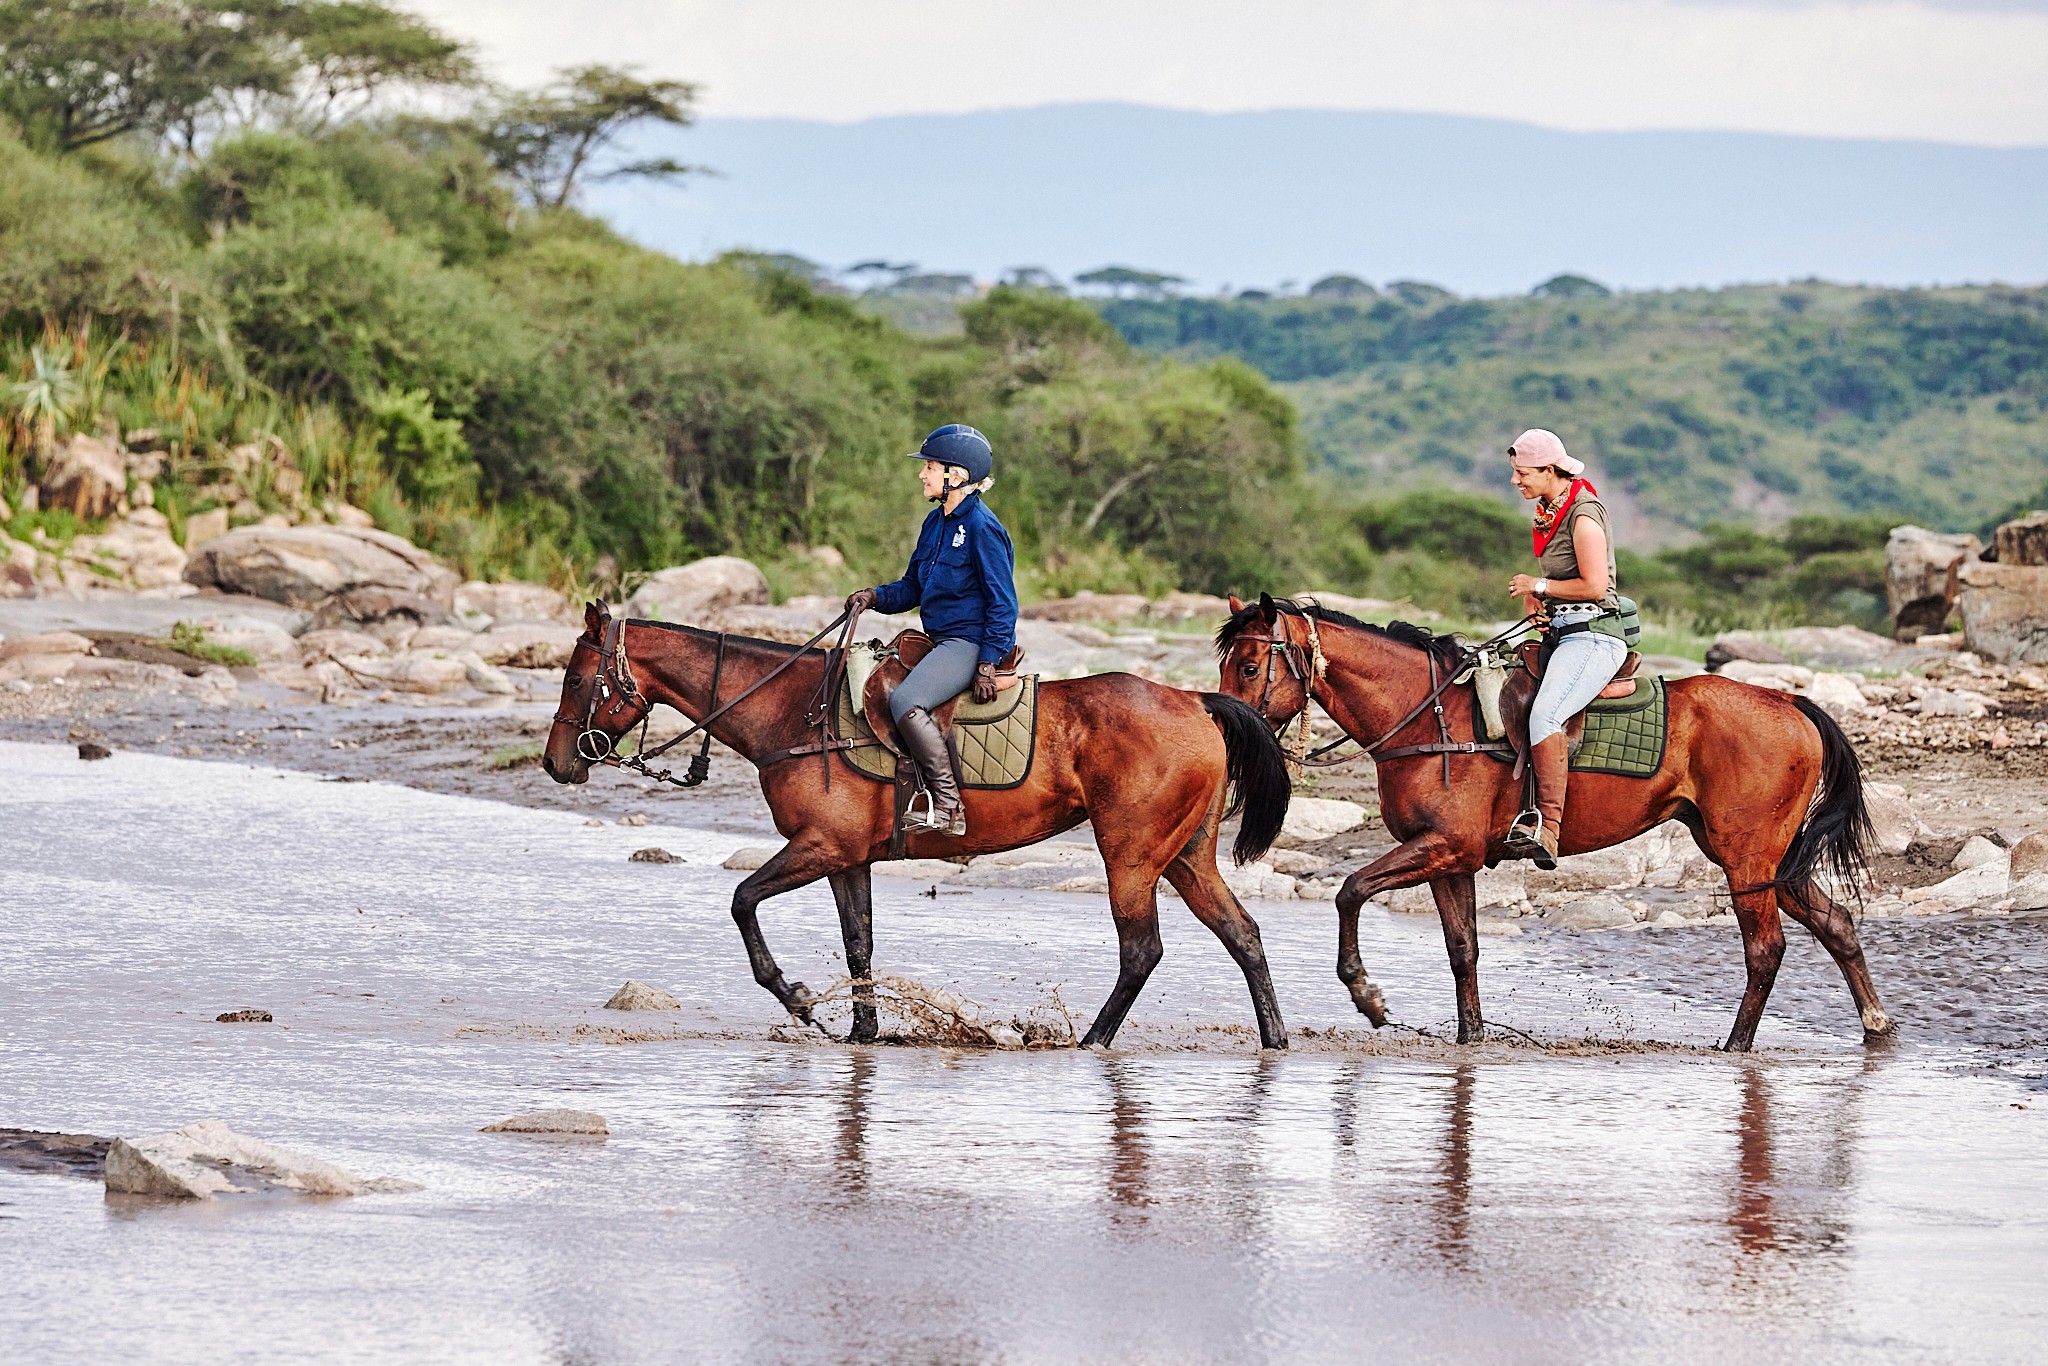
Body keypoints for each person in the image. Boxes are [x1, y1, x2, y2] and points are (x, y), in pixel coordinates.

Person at [844, 424, 1018, 835]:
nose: (922, 475)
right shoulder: (934, 522)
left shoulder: (982, 527)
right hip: (938, 639)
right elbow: (913, 589)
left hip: (968, 642)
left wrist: (987, 662)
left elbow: (1003, 603)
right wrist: (874, 597)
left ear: (955, 476)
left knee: (906, 700)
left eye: (930, 468)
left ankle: (948, 805)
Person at [1501, 429, 1626, 867]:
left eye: (1522, 473)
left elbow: (1594, 586)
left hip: (1594, 635)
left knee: (1546, 714)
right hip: (1564, 630)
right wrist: (1544, 601)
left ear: (1550, 470)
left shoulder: (1583, 514)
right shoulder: (1549, 510)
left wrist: (1538, 584)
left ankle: (1548, 828)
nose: (1516, 481)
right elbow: (1567, 585)